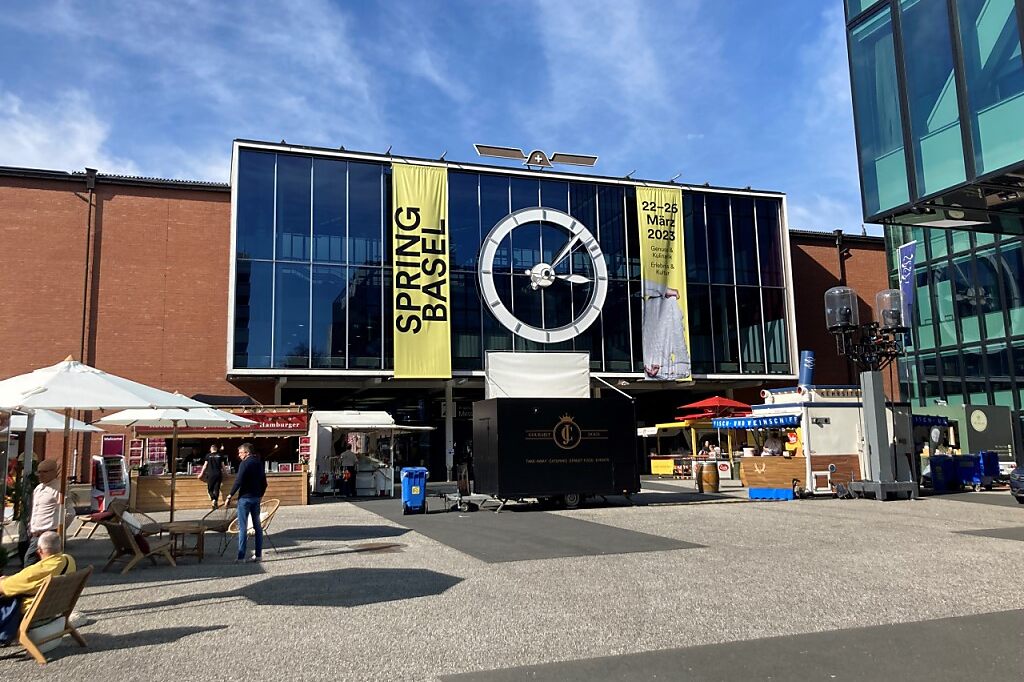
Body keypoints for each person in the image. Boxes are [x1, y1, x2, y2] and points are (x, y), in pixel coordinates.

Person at [0, 531, 76, 645]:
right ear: (59, 546)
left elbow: (5, 587)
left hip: (32, 610)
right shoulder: (68, 560)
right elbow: (28, 582)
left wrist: (5, 580)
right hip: (56, 606)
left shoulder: (36, 571)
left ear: (39, 550)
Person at [224, 443, 267, 563]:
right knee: (257, 527)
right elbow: (264, 482)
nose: (239, 455)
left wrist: (230, 495)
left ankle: (241, 556)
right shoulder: (259, 463)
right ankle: (258, 555)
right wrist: (260, 494)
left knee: (243, 527)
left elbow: (239, 480)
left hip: (245, 498)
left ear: (247, 453)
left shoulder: (244, 463)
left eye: (240, 453)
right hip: (256, 498)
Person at [25, 459, 61, 567]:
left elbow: (69, 512)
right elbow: (36, 510)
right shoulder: (38, 488)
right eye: (39, 472)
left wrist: (57, 530)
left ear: (54, 472)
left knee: (30, 561)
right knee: (33, 564)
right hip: (35, 534)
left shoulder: (58, 488)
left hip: (48, 533)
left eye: (44, 472)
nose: (40, 475)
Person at [197, 443, 227, 509]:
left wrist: (201, 474)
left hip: (210, 474)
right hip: (218, 474)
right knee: (217, 489)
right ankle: (215, 502)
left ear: (211, 449)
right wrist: (226, 473)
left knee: (210, 489)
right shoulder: (220, 455)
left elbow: (205, 466)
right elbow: (223, 466)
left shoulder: (208, 455)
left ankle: (213, 499)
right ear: (216, 449)